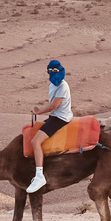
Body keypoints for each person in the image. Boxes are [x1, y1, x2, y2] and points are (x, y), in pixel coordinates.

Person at [26, 60, 73, 193]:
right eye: (51, 71)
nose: (53, 74)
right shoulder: (52, 86)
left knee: (35, 141)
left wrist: (39, 112)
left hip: (60, 118)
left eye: (55, 71)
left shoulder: (63, 86)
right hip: (55, 116)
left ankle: (40, 176)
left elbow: (54, 106)